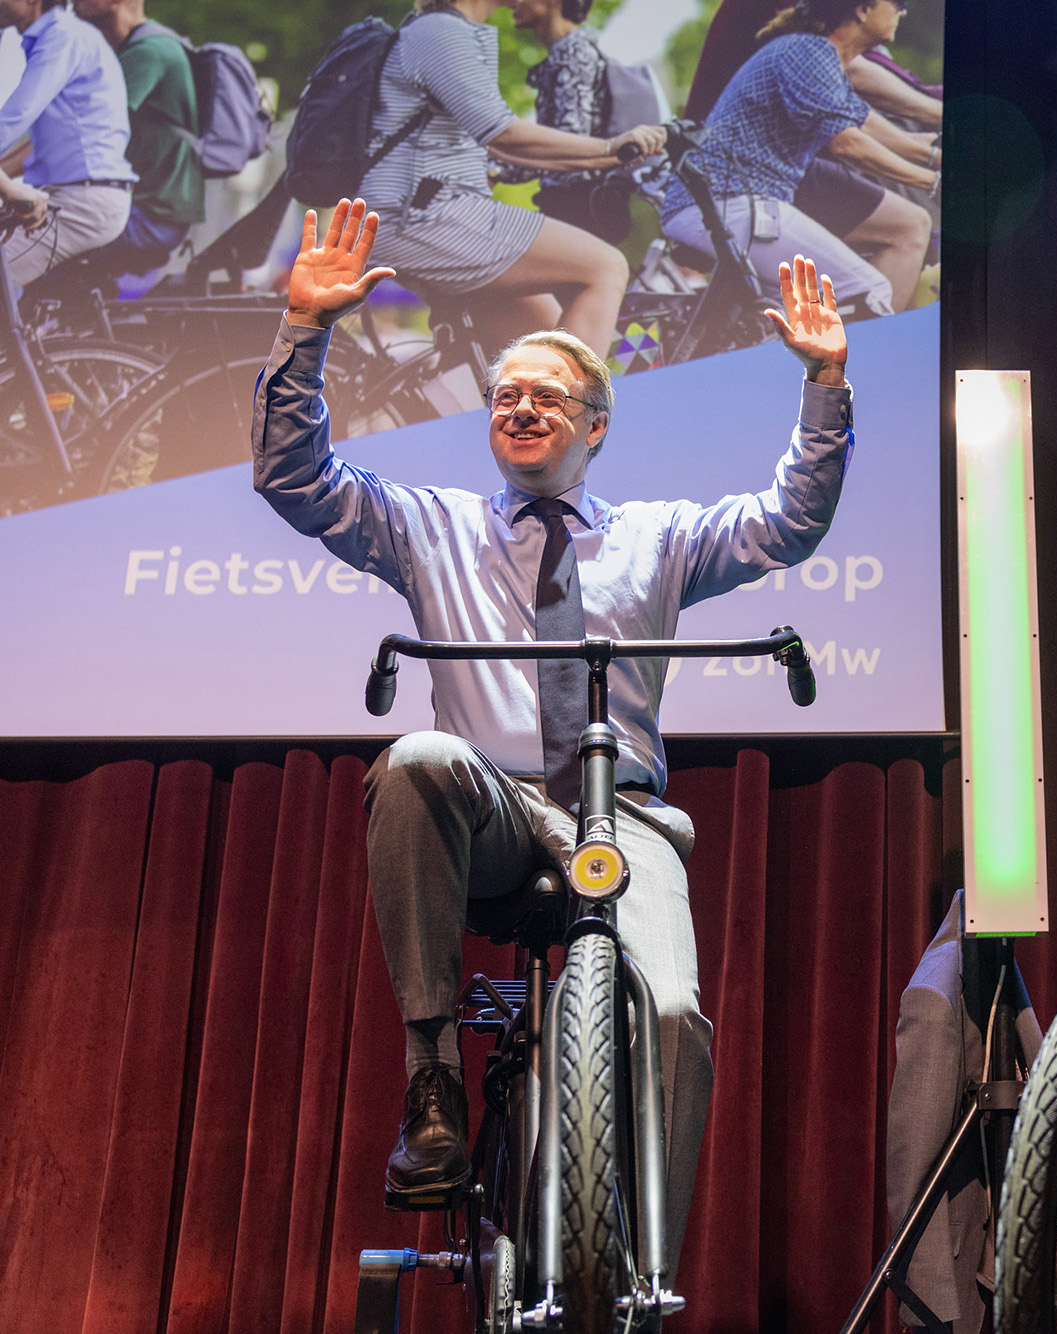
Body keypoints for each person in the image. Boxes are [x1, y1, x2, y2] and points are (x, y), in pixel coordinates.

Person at [251, 197, 853, 1272]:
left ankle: (640, 1269)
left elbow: (787, 522)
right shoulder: (429, 523)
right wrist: (306, 330)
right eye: (504, 396)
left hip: (619, 813)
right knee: (419, 754)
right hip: (489, 810)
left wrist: (822, 385)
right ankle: (431, 1081)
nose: (519, 409)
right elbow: (296, 481)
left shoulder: (661, 539)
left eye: (545, 397)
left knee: (670, 1013)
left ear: (595, 425)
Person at [359, 0, 668, 353]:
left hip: (428, 213)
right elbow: (503, 135)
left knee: (546, 341)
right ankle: (570, 408)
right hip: (421, 217)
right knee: (606, 267)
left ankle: (512, 404)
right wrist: (611, 148)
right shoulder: (440, 32)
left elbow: (499, 144)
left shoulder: (450, 31)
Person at [635, 0, 935, 317]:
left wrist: (938, 157)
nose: (903, 12)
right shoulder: (809, 52)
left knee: (810, 307)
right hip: (730, 203)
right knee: (869, 290)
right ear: (861, 9)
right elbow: (850, 145)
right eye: (897, 3)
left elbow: (877, 133)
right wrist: (933, 182)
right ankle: (860, 366)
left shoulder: (820, 57)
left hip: (735, 203)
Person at [0, 0, 133, 287]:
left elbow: (16, 116)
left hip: (81, 201)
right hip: (69, 192)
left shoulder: (63, 35)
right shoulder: (53, 36)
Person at [69, 0, 201, 277]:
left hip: (150, 218)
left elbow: (82, 133)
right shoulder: (140, 45)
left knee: (38, 250)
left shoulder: (148, 52)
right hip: (152, 214)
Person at [496, 0, 636, 246]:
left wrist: (497, 170)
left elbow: (570, 142)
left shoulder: (574, 53)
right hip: (569, 202)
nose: (511, 3)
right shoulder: (564, 53)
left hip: (578, 205)